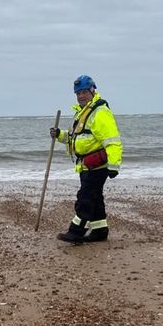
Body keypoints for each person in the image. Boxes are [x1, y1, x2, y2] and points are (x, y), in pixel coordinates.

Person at [50, 75, 122, 243]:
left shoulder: (100, 112)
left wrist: (114, 165)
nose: (80, 96)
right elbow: (75, 138)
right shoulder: (83, 112)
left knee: (85, 199)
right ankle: (100, 231)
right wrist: (59, 134)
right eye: (78, 93)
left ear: (92, 90)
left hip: (97, 165)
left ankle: (76, 232)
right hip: (86, 165)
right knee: (95, 198)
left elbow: (113, 140)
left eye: (83, 92)